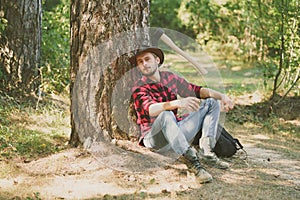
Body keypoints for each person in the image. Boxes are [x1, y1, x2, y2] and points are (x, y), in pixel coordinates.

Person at [129, 45, 234, 184]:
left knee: (211, 102)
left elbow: (197, 90)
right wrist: (177, 103)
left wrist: (222, 96)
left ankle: (207, 153)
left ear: (157, 60)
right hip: (155, 139)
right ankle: (193, 165)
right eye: (140, 62)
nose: (144, 64)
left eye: (147, 59)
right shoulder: (139, 87)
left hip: (176, 132)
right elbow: (150, 109)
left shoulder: (170, 78)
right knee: (166, 114)